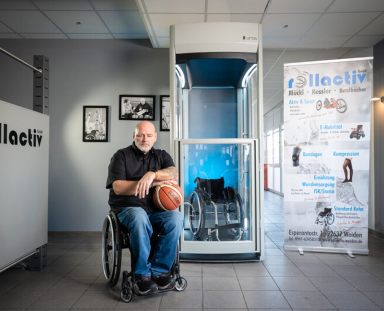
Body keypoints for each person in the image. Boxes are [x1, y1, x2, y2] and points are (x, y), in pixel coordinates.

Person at [106, 121, 183, 295]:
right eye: (140, 135)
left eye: (149, 135)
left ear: (155, 137)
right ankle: (142, 275)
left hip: (155, 211)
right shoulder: (121, 156)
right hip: (128, 209)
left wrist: (152, 175)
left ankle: (158, 271)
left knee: (176, 218)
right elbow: (118, 187)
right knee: (139, 215)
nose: (144, 139)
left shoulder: (162, 156)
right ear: (134, 136)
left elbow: (173, 173)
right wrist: (152, 183)